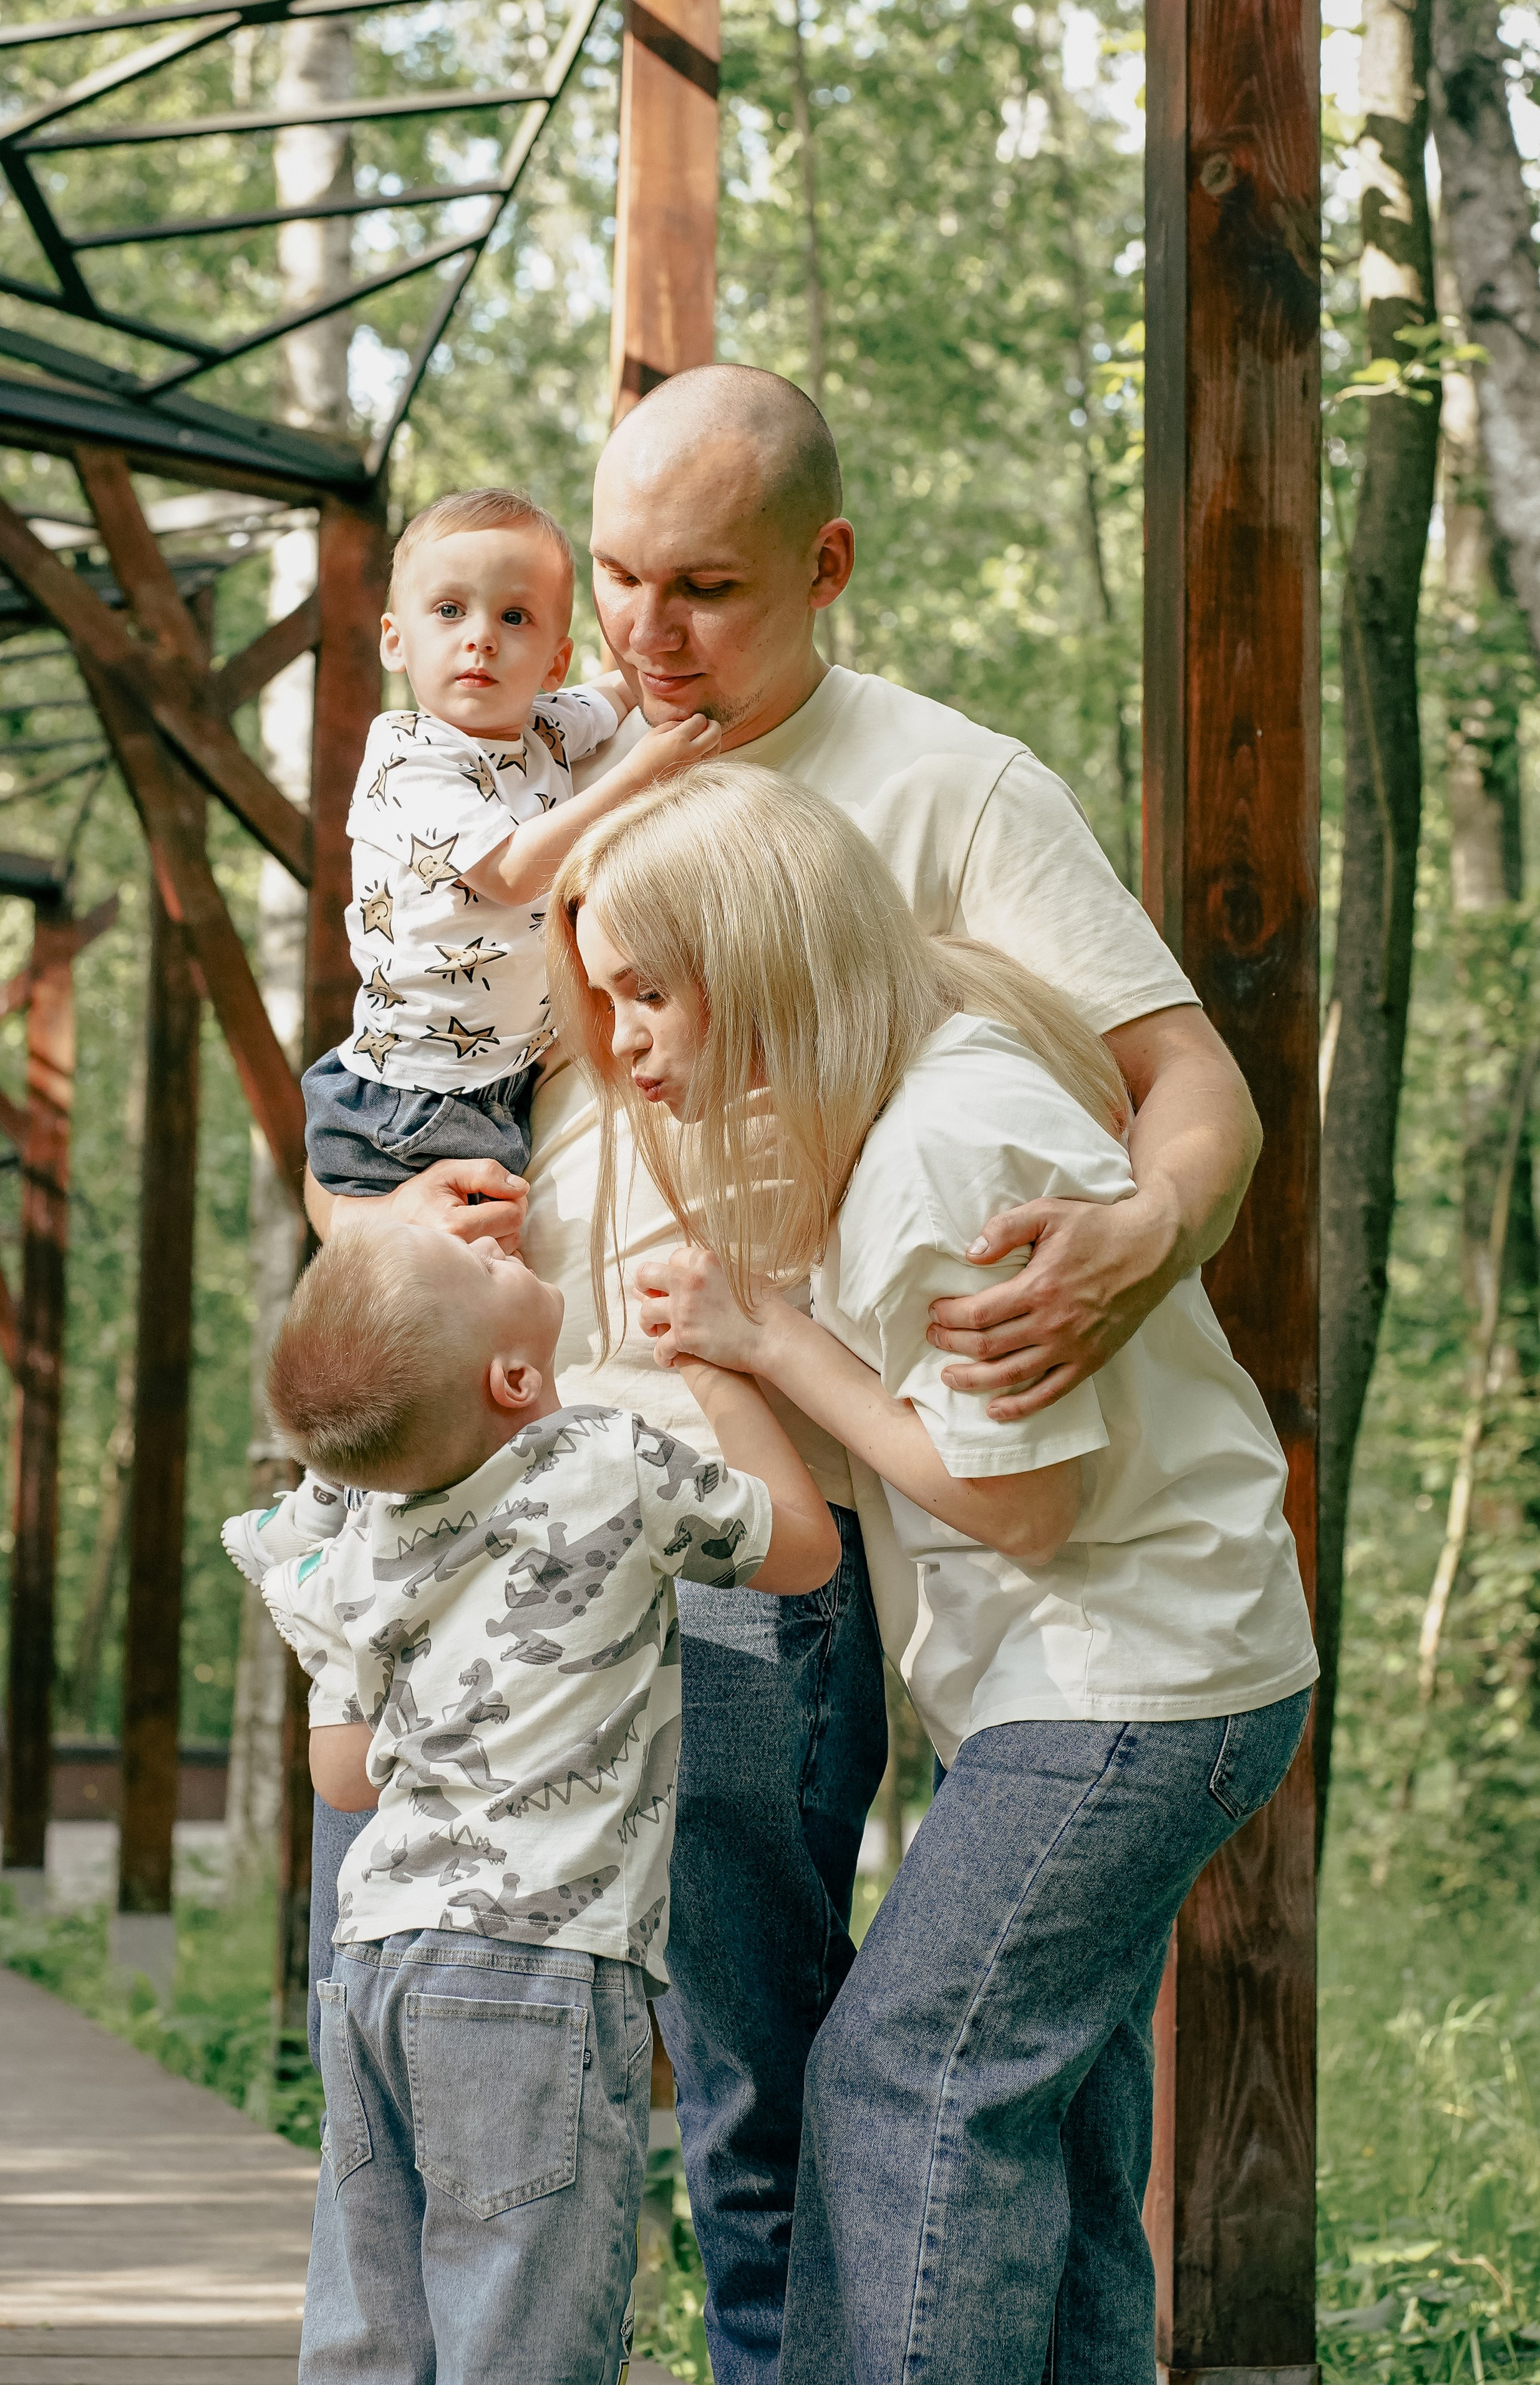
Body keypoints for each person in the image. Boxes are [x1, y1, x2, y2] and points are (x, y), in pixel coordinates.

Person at [301, 367, 1265, 2384]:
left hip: (773, 1514)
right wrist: (381, 1241)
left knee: (795, 2076)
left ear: (825, 571)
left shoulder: (944, 788)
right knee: (451, 2030)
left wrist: (1140, 1233)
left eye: (706, 592)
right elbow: (403, 1085)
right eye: (621, 580)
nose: (644, 641)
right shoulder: (529, 760)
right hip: (501, 1497)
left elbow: (1193, 1088)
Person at [549, 762, 1318, 2384]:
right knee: (1061, 2120)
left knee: (907, 2073)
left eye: (644, 994)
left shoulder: (946, 1149)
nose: (619, 1040)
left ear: (758, 967)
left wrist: (774, 1340)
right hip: (1135, 1671)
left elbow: (1020, 1505)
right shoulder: (924, 1085)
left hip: (1131, 1684)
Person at [223, 1216, 839, 2385]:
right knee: (526, 2336)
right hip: (540, 1969)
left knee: (369, 2328)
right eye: (487, 1264)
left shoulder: (352, 1531)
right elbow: (803, 1549)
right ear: (516, 1379)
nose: (506, 1245)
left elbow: (344, 1775)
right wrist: (719, 1366)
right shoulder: (606, 1462)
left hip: (376, 1965)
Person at [303, 485, 717, 1202]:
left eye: (514, 617)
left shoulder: (548, 726)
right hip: (410, 1097)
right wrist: (646, 771)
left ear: (554, 663)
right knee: (425, 1289)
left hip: (500, 1077)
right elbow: (512, 872)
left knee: (479, 1278)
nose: (482, 637)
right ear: (395, 640)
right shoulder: (410, 754)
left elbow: (625, 689)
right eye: (449, 610)